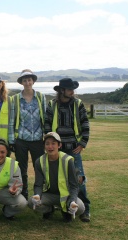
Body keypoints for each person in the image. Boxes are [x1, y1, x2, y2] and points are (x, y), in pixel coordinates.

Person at [44, 78, 91, 222]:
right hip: (56, 150)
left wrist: (83, 143)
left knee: (79, 178)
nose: (72, 91)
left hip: (73, 149)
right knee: (53, 178)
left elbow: (85, 123)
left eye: (73, 89)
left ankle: (85, 210)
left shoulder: (78, 104)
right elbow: (46, 125)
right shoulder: (52, 104)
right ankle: (51, 207)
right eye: (69, 89)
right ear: (62, 90)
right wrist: (50, 145)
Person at [28, 132, 85, 222]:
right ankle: (50, 210)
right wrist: (37, 195)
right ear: (44, 146)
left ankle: (66, 211)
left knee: (81, 208)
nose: (50, 147)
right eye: (47, 144)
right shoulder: (39, 161)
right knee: (31, 202)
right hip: (49, 195)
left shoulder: (68, 160)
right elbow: (38, 184)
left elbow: (74, 185)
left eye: (53, 143)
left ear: (59, 145)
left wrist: (72, 201)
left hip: (66, 195)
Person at [8, 69, 46, 199]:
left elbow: (45, 118)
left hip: (37, 139)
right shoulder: (15, 99)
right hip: (22, 139)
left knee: (39, 168)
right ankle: (23, 193)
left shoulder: (41, 97)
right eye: (25, 80)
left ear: (33, 81)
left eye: (29, 79)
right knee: (22, 169)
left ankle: (38, 193)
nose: (27, 82)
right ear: (21, 82)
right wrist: (12, 140)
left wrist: (46, 137)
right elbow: (12, 120)